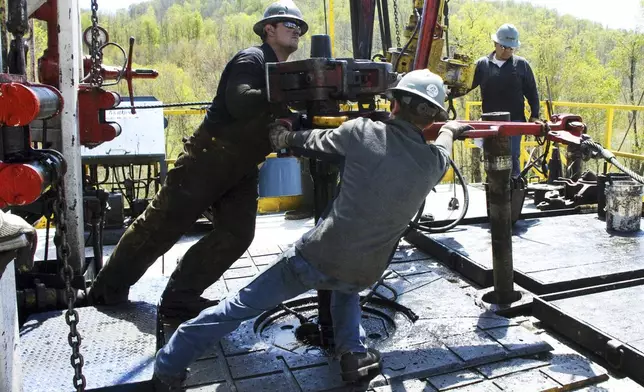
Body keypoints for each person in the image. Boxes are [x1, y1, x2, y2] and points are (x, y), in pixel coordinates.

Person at [151, 69, 474, 391]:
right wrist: (451, 129)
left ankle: (169, 366)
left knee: (241, 306)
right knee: (345, 286)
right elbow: (444, 147)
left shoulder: (362, 131)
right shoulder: (433, 163)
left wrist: (284, 135)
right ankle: (354, 355)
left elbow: (311, 140)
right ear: (431, 117)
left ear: (394, 104)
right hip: (366, 268)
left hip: (318, 255)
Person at [87, 0, 309, 323]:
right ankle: (106, 291)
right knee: (160, 228)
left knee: (237, 233)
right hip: (206, 160)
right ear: (268, 30)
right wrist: (287, 96)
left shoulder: (280, 74)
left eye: (299, 27)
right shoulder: (253, 59)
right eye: (288, 24)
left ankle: (180, 296)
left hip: (241, 168)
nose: (296, 30)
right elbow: (239, 101)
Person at [470, 23, 540, 177]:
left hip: (514, 123)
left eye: (511, 48)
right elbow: (466, 85)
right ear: (495, 44)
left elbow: (532, 92)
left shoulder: (521, 65)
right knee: (492, 158)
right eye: (504, 47)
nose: (508, 51)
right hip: (490, 122)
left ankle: (514, 189)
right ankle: (494, 189)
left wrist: (535, 115)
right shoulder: (482, 65)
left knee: (512, 157)